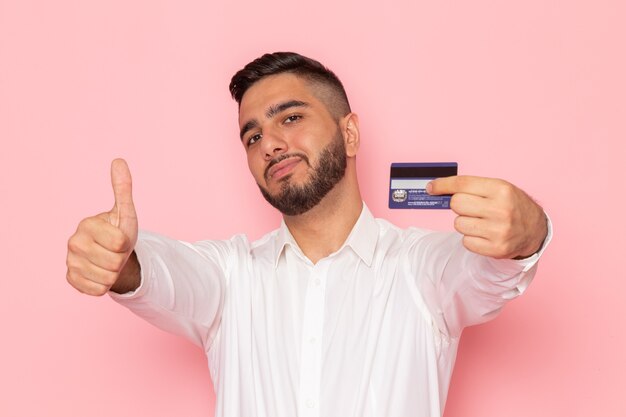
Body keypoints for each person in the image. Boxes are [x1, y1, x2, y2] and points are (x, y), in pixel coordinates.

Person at [66, 52, 551, 417]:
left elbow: (487, 274)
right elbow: (168, 274)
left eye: (291, 118)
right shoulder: (231, 277)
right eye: (252, 136)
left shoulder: (419, 269)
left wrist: (529, 232)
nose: (271, 144)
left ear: (351, 134)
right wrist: (122, 262)